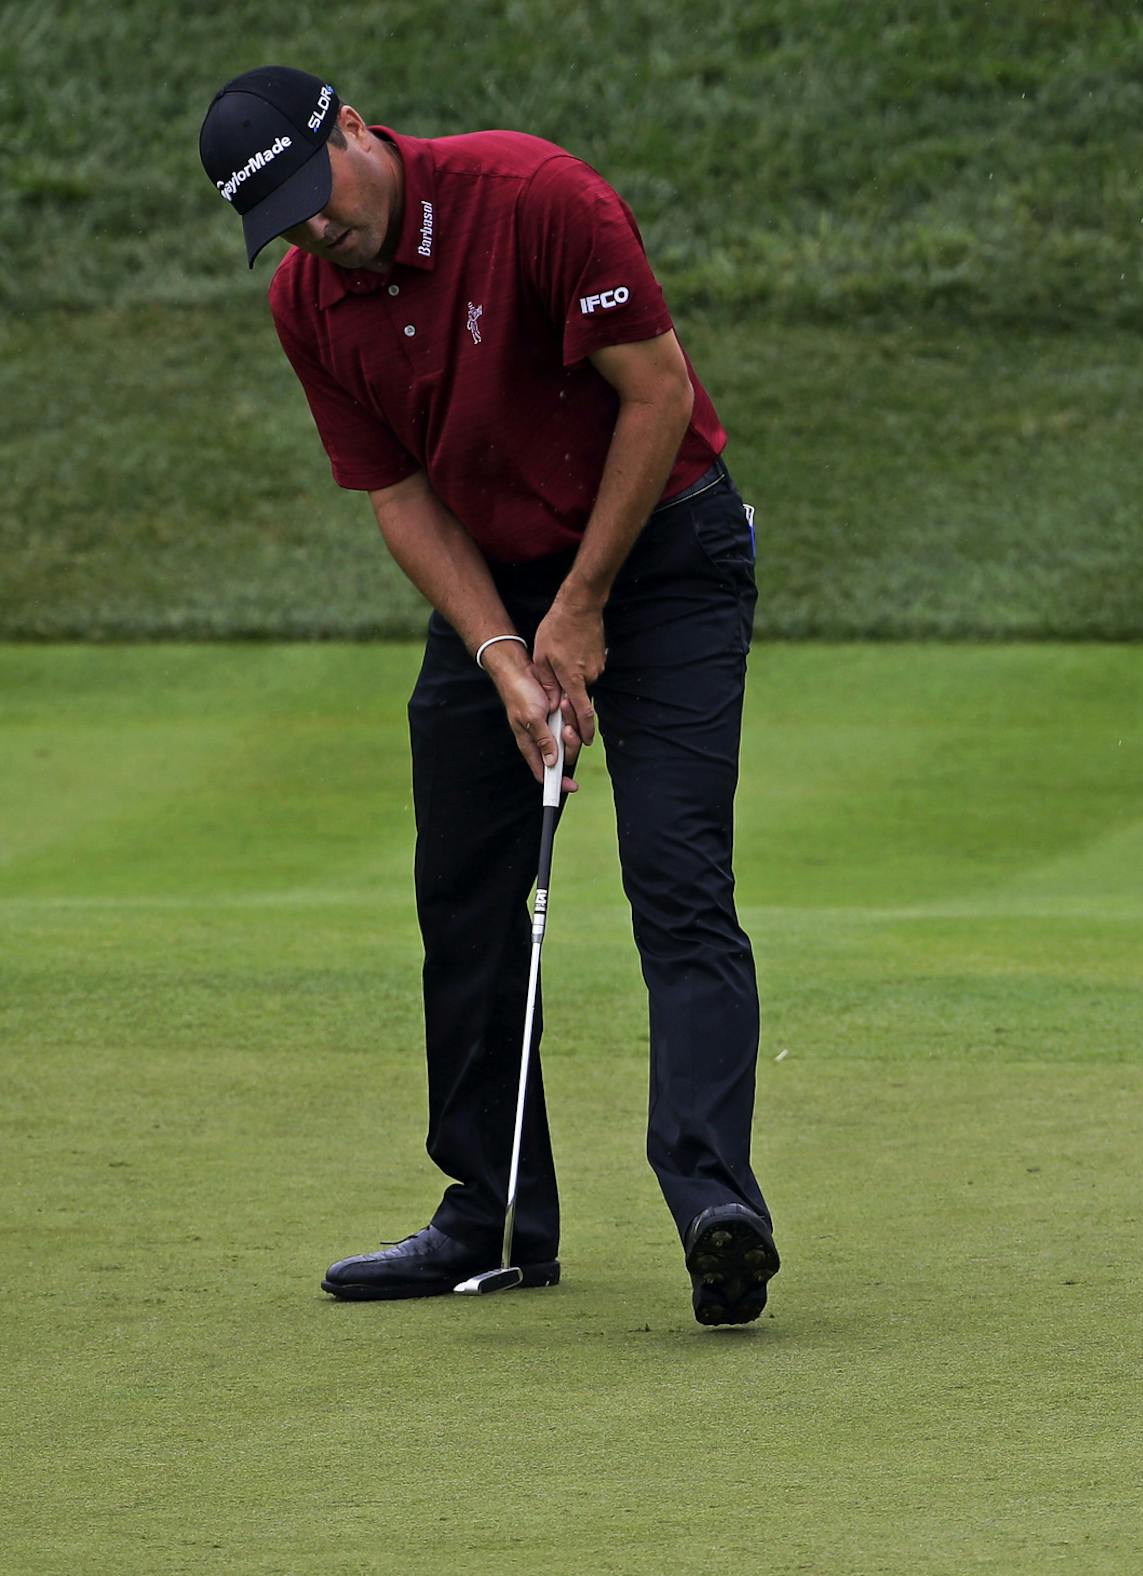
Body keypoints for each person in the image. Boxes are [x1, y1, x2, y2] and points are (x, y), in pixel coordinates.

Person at [197, 66, 779, 1325]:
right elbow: (399, 494)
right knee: (464, 885)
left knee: (676, 875)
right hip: (501, 573)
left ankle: (716, 1208)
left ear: (354, 129)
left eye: (315, 194)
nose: (314, 229)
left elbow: (660, 393)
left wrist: (582, 603)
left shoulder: (533, 196)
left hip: (665, 551)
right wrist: (503, 653)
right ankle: (494, 1216)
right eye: (281, 222)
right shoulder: (308, 299)